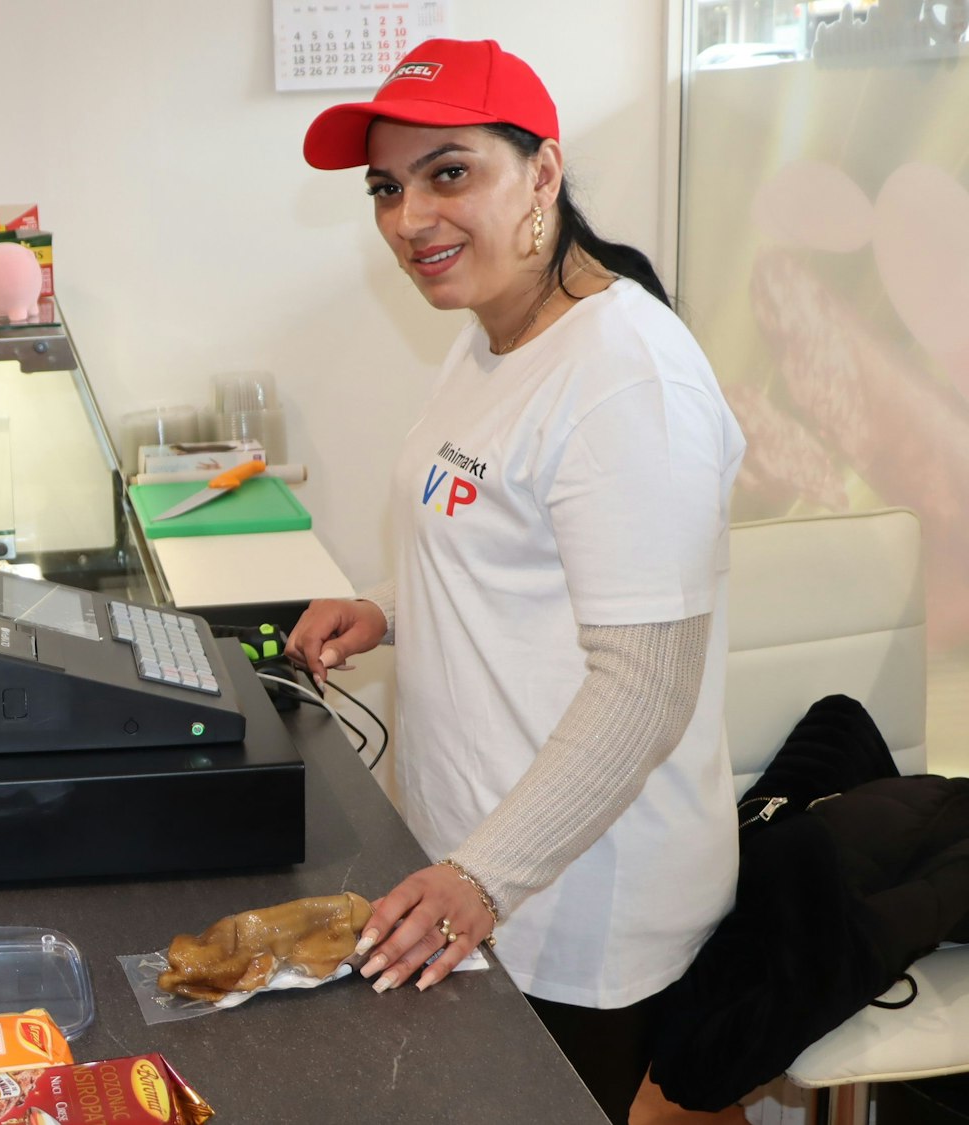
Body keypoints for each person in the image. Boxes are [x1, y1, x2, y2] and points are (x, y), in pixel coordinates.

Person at [289, 40, 745, 1125]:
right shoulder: (491, 332)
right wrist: (385, 610)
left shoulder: (625, 380)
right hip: (470, 864)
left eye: (449, 173)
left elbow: (642, 687)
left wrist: (481, 880)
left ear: (540, 173)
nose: (409, 220)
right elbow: (516, 544)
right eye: (387, 189)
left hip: (574, 898)